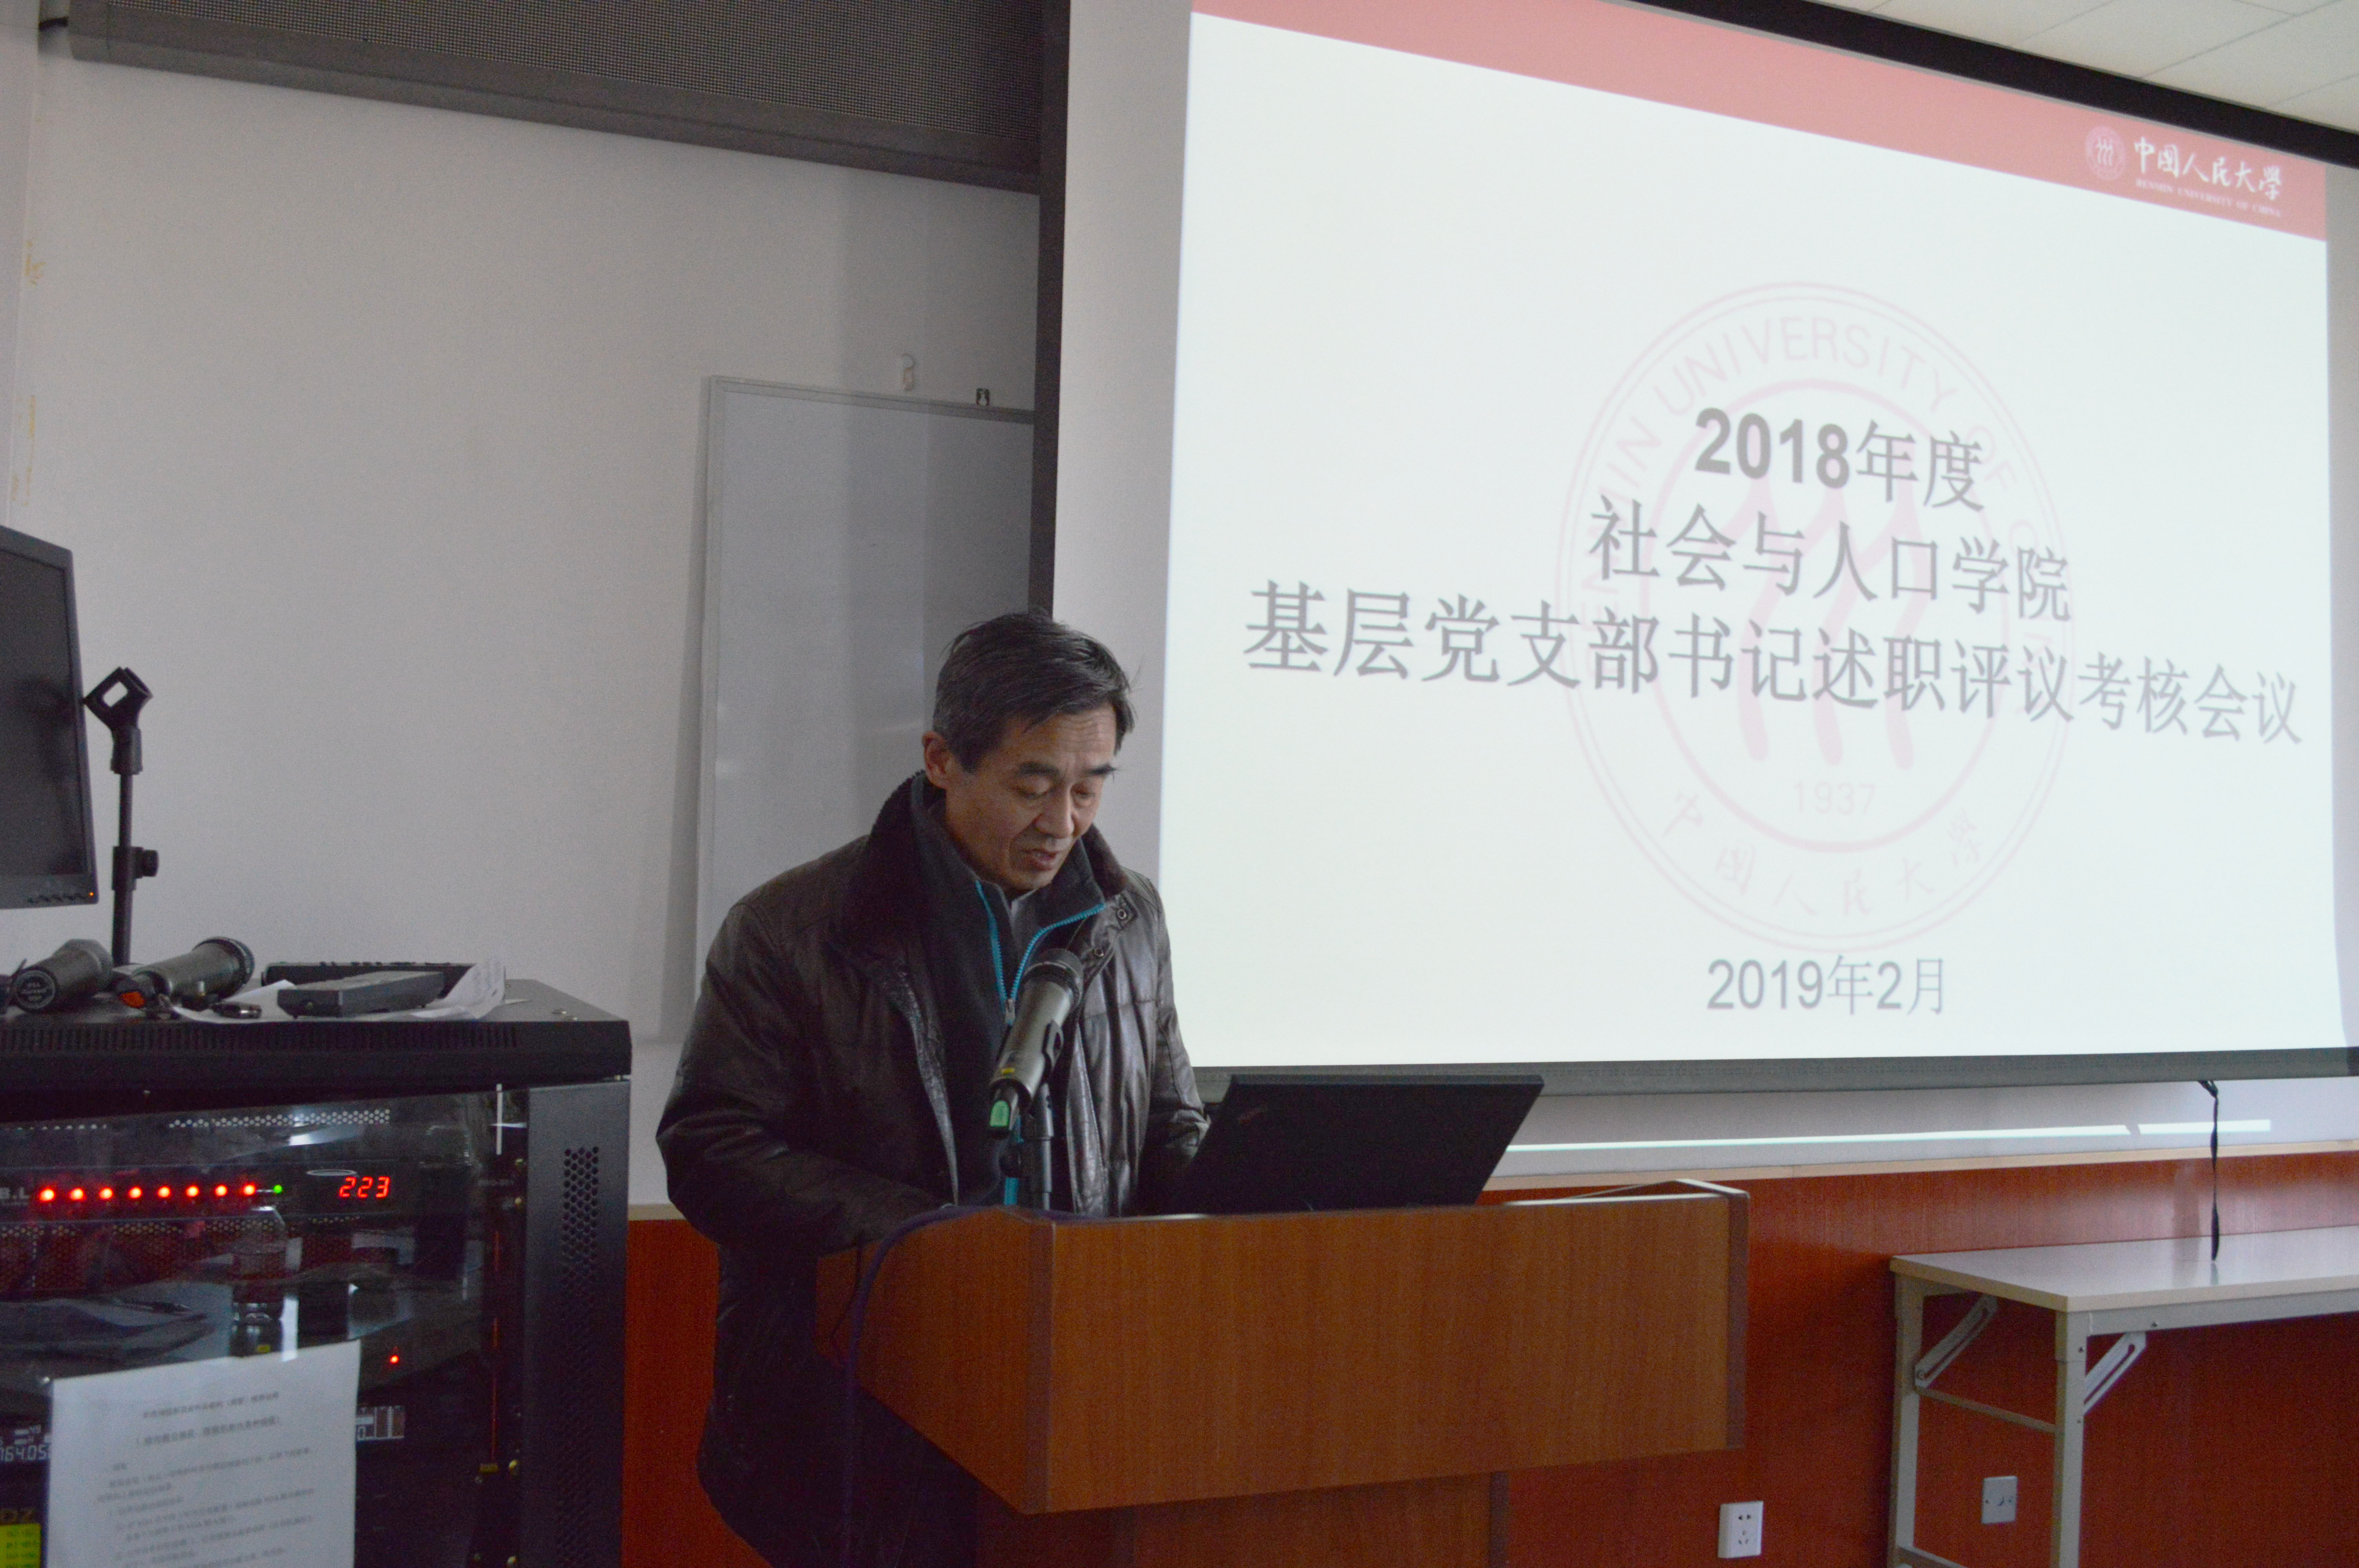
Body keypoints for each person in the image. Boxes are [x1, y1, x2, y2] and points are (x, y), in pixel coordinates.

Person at [659, 609, 1207, 1568]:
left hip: (1082, 1395)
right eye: (1032, 784)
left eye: (1089, 786)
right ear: (942, 759)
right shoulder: (793, 928)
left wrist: (1250, 1186)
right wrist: (938, 1238)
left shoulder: (1129, 918)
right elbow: (711, 1149)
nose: (1062, 822)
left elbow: (1164, 1121)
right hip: (860, 1415)